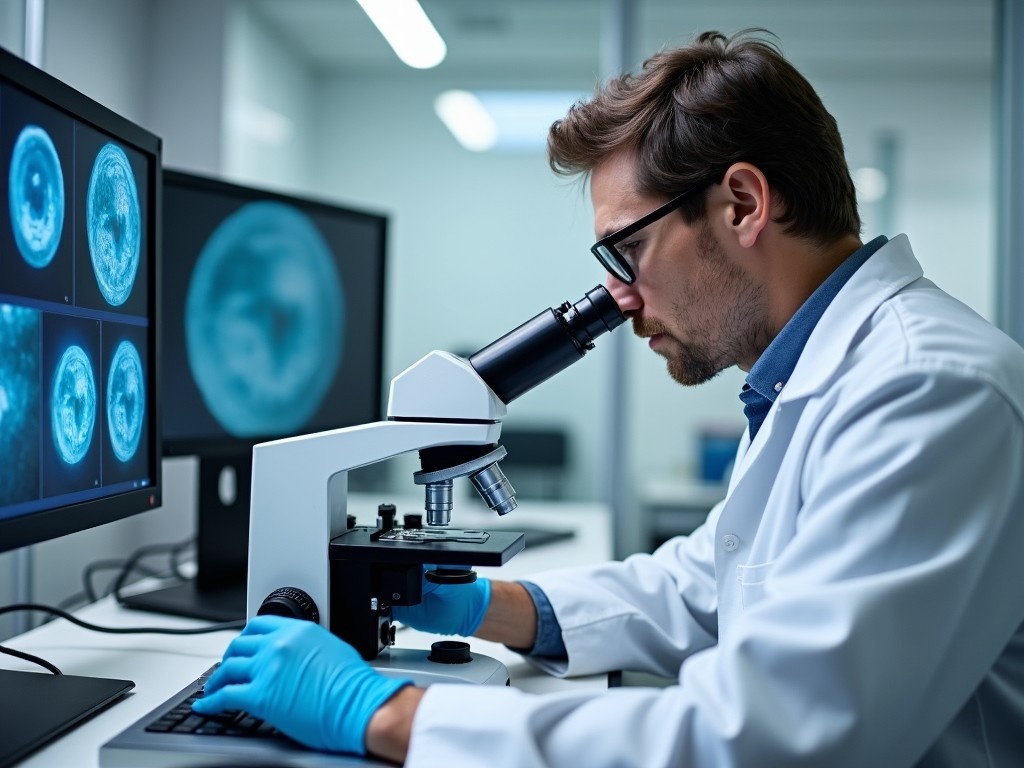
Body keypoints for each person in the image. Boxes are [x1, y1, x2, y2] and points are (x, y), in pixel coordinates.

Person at [192, 29, 1024, 767]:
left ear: (742, 204)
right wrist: (493, 606)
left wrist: (389, 715)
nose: (620, 299)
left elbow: (770, 739)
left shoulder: (929, 390)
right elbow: (709, 588)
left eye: (627, 250)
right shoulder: (812, 374)